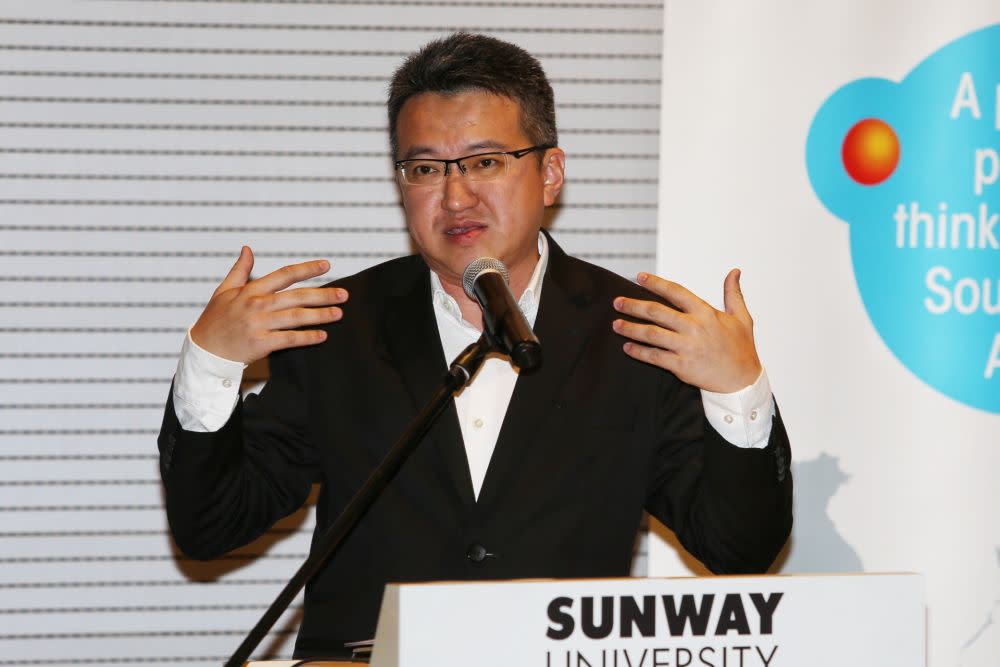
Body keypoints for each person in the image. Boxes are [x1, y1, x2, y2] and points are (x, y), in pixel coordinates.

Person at [158, 33, 792, 659]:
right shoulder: (337, 328)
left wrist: (738, 388)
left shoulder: (633, 330)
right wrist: (211, 362)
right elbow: (213, 528)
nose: (456, 196)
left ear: (550, 174)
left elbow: (739, 547)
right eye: (426, 168)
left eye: (485, 161)